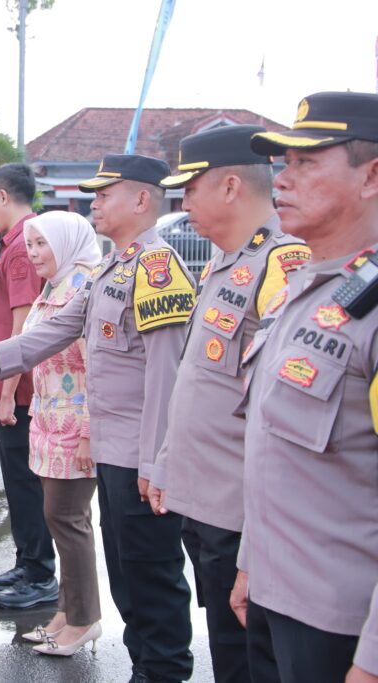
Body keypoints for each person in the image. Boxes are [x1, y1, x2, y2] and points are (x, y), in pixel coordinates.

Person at [0, 155, 196, 682]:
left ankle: (161, 672)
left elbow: (166, 379)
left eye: (105, 194)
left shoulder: (157, 270)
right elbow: (52, 334)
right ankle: (146, 668)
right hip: (114, 453)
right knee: (127, 577)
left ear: (142, 200)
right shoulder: (112, 266)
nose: (93, 203)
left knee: (152, 579)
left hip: (140, 457)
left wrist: (157, 462)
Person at [147, 125, 309, 683]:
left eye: (190, 189)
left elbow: (279, 410)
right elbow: (197, 381)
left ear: (231, 186)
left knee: (248, 660)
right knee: (226, 647)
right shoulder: (223, 263)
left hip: (243, 514)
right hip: (208, 504)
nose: (183, 202)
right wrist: (169, 460)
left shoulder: (282, 265)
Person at [227, 91, 378, 683]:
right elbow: (274, 449)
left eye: (306, 163)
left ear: (372, 177)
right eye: (283, 164)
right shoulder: (306, 288)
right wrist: (249, 565)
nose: (282, 180)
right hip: (272, 594)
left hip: (341, 623)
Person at [12, 211, 104, 657]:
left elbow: (98, 368)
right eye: (30, 245)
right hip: (50, 420)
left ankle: (85, 619)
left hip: (76, 424)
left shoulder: (87, 286)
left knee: (67, 520)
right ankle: (67, 613)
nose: (33, 254)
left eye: (41, 244)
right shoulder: (57, 284)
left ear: (66, 243)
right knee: (60, 520)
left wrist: (89, 432)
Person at [0, 162, 57, 610]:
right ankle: (28, 561)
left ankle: (40, 572)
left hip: (15, 388)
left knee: (24, 481)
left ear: (2, 196)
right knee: (17, 478)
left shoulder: (24, 243)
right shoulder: (13, 243)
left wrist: (7, 393)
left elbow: (24, 321)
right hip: (6, 380)